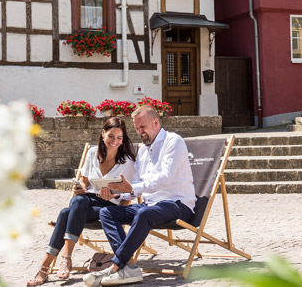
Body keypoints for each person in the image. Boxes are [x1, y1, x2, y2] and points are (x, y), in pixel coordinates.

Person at [83, 105, 195, 287]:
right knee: (107, 212)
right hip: (152, 205)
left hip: (178, 204)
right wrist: (116, 191)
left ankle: (115, 267)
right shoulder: (142, 151)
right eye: (136, 128)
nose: (139, 132)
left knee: (144, 214)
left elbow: (166, 178)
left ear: (156, 122)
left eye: (142, 127)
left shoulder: (174, 142)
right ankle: (130, 268)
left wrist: (133, 187)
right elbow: (134, 184)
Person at [26, 117, 136, 286]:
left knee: (65, 213)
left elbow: (130, 191)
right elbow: (85, 181)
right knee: (77, 201)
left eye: (119, 138)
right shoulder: (93, 153)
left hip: (110, 206)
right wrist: (80, 187)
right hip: (89, 200)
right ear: (103, 134)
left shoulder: (127, 160)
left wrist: (114, 196)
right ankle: (65, 259)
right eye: (111, 136)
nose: (115, 141)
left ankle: (48, 266)